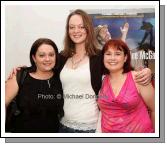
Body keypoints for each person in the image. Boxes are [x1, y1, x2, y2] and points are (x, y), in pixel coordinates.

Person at [8, 9, 152, 133]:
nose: (76, 31)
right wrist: (23, 70)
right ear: (68, 30)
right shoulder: (62, 57)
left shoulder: (99, 57)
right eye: (72, 27)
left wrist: (146, 72)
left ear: (88, 29)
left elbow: (121, 70)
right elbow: (43, 66)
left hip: (91, 128)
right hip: (63, 126)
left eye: (81, 27)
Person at [5, 38, 64, 133]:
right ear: (34, 58)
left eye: (51, 55)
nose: (47, 59)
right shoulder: (20, 76)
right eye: (42, 55)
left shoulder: (61, 77)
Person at [97, 39, 155, 133]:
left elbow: (156, 109)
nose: (112, 58)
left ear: (125, 58)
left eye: (117, 54)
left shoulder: (138, 78)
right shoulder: (102, 80)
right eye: (108, 54)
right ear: (103, 57)